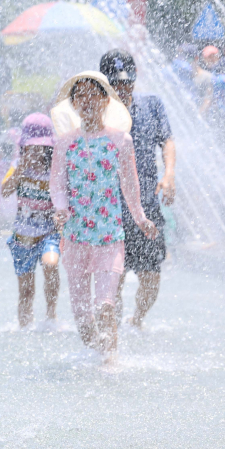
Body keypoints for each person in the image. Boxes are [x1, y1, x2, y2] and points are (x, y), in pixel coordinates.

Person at [49, 72, 157, 362]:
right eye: (79, 96)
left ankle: (111, 363)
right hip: (75, 238)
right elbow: (57, 184)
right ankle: (94, 356)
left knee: (106, 306)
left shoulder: (120, 140)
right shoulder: (65, 143)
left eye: (91, 94)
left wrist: (141, 218)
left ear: (104, 100)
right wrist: (60, 209)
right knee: (83, 317)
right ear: (72, 103)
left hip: (110, 237)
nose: (85, 100)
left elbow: (130, 186)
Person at [99, 50, 176, 328]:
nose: (123, 87)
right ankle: (113, 329)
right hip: (111, 210)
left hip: (147, 207)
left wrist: (169, 174)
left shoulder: (152, 104)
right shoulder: (98, 114)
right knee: (114, 276)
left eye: (127, 81)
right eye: (116, 83)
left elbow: (167, 141)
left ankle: (138, 320)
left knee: (151, 274)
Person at [0, 113, 60, 329]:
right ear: (24, 147)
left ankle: (51, 316)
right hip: (22, 236)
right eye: (32, 147)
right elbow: (5, 191)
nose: (37, 152)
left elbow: (64, 196)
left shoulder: (55, 167)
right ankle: (24, 326)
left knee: (50, 263)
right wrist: (20, 168)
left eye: (41, 148)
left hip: (48, 232)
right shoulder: (17, 165)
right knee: (26, 290)